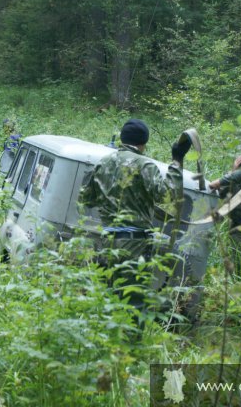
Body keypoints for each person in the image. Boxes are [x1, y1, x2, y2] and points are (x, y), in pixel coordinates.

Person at [79, 118, 191, 304]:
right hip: (134, 244)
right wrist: (177, 160)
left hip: (107, 242)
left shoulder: (103, 162)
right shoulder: (145, 165)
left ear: (122, 138)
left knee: (109, 298)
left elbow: (85, 200)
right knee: (133, 302)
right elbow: (168, 196)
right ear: (143, 143)